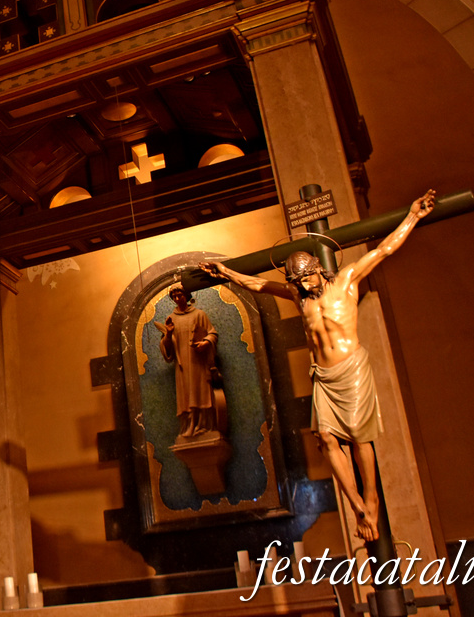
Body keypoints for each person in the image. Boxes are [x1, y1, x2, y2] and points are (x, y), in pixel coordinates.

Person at [200, 190, 436, 541]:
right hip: (323, 376)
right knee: (326, 439)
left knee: (359, 438)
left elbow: (385, 249)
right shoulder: (299, 296)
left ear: (316, 271)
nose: (300, 287)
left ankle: (371, 500)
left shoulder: (347, 281)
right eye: (295, 283)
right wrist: (226, 272)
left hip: (351, 369)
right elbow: (259, 284)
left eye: (304, 280)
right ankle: (357, 505)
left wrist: (413, 216)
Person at [153, 282, 219, 441]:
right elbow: (167, 348)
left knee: (200, 393)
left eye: (180, 295)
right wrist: (169, 334)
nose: (177, 298)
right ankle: (189, 425)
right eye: (174, 296)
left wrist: (206, 343)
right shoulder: (171, 319)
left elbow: (212, 334)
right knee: (186, 397)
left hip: (199, 363)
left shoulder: (199, 315)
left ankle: (203, 425)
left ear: (187, 296)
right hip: (182, 366)